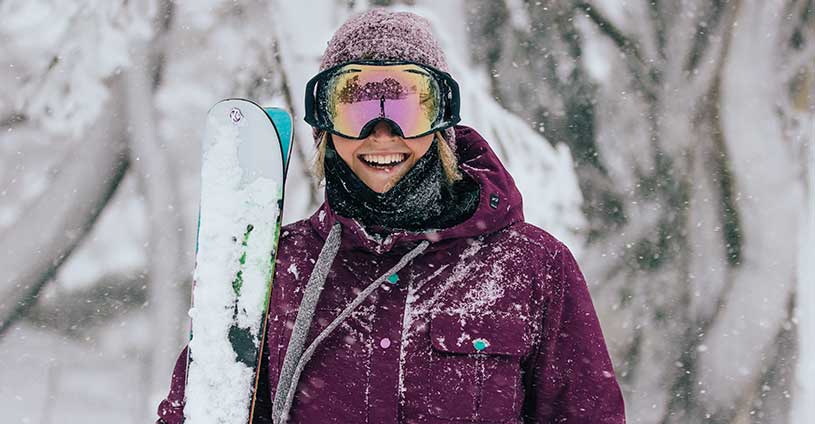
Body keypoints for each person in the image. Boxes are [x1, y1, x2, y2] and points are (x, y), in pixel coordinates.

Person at [158, 8, 625, 424]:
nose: (382, 132)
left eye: (405, 105)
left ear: (442, 119)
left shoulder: (531, 268)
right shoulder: (276, 266)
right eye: (356, 105)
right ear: (325, 124)